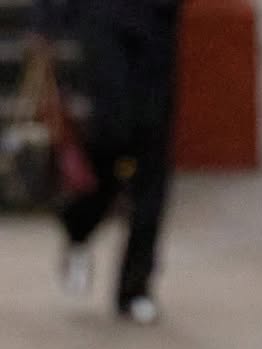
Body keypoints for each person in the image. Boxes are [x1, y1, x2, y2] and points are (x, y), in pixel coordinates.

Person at [29, 0, 182, 323]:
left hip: (156, 24)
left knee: (152, 153)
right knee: (112, 136)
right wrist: (47, 21)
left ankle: (136, 287)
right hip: (103, 20)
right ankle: (78, 223)